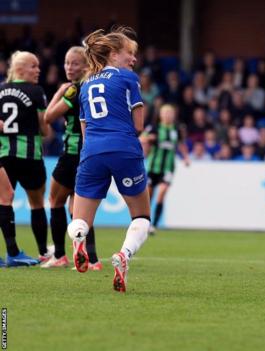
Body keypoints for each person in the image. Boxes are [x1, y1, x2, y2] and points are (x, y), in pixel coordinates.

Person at [68, 27, 150, 293]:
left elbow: (84, 129)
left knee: (80, 219)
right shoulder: (128, 78)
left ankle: (78, 238)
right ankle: (124, 255)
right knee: (141, 216)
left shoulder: (86, 84)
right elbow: (138, 124)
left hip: (92, 151)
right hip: (124, 148)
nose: (134, 59)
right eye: (130, 53)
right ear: (114, 54)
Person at [42, 46, 101, 269]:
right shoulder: (94, 87)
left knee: (55, 201)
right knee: (79, 211)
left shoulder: (74, 90)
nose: (69, 67)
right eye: (67, 62)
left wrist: (60, 91)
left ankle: (59, 255)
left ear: (86, 65)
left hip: (72, 155)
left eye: (75, 63)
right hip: (89, 155)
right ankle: (93, 260)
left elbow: (48, 117)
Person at [0, 51, 49, 267]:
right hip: (30, 156)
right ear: (19, 69)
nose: (38, 70)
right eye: (33, 66)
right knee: (37, 203)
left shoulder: (0, 90)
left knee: (3, 200)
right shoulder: (36, 91)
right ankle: (43, 252)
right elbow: (44, 128)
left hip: (4, 154)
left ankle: (12, 250)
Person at [142, 104, 190, 235]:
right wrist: (148, 138)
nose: (168, 115)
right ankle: (145, 222)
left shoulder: (177, 129)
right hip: (153, 167)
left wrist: (186, 157)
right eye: (166, 113)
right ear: (161, 115)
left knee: (162, 193)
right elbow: (141, 138)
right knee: (149, 196)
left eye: (170, 113)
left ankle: (154, 225)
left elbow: (181, 144)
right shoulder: (154, 127)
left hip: (168, 168)